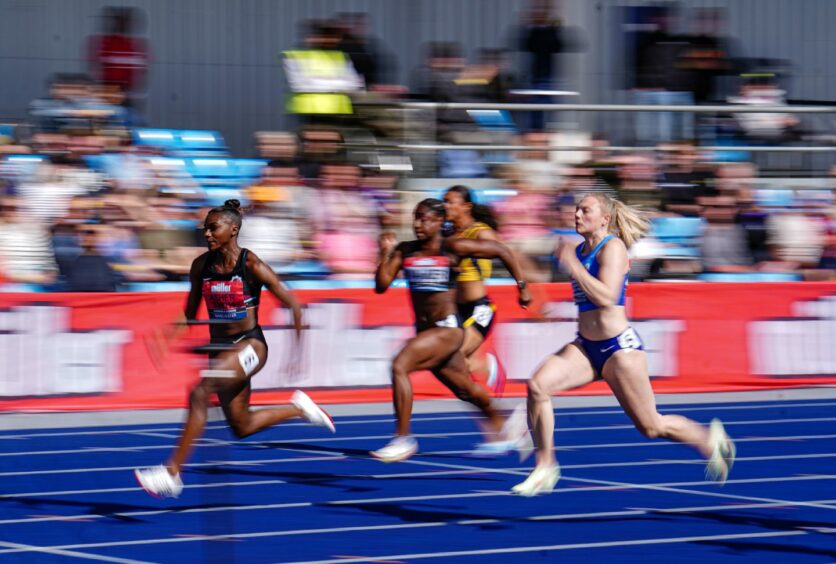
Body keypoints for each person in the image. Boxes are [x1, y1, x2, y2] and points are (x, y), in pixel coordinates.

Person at [512, 193, 736, 496]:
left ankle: (710, 440)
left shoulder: (613, 248)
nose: (577, 215)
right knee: (538, 386)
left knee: (651, 426)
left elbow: (606, 296)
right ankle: (545, 466)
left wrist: (574, 267)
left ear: (604, 218)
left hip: (620, 350)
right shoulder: (577, 250)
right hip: (586, 347)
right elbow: (583, 298)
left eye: (585, 210)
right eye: (576, 209)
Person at [134, 200, 335, 498]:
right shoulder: (201, 266)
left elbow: (293, 305)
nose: (207, 234)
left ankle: (172, 473)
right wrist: (167, 335)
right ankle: (298, 408)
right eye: (205, 229)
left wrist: (297, 355)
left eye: (213, 228)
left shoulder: (250, 264)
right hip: (222, 351)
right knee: (242, 426)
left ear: (233, 229)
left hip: (250, 345)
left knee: (200, 393)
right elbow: (190, 312)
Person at [371, 198, 532, 462]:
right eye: (415, 218)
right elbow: (381, 285)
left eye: (424, 218)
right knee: (465, 389)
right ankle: (509, 425)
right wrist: (384, 253)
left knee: (400, 364)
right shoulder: (405, 250)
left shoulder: (453, 247)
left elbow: (502, 251)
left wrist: (522, 286)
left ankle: (403, 439)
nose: (417, 224)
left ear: (438, 222)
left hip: (448, 330)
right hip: (426, 333)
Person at [443, 185, 505, 394]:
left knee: (453, 357)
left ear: (466, 206)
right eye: (444, 201)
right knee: (452, 365)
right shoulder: (448, 233)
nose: (445, 206)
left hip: (480, 309)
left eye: (450, 202)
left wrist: (524, 284)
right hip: (456, 310)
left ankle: (489, 368)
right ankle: (483, 383)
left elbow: (504, 253)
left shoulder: (480, 232)